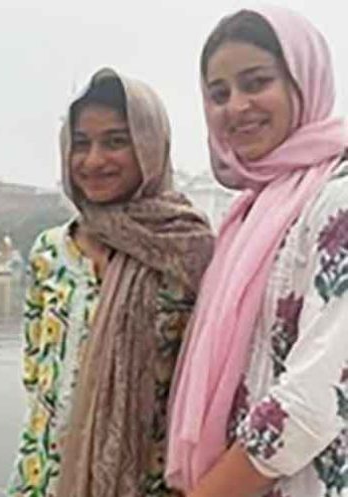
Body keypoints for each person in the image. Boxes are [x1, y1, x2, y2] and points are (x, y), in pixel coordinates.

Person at [6, 68, 214, 497]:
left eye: (116, 142)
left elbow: (207, 387)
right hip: (46, 474)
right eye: (81, 144)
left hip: (147, 480)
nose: (94, 160)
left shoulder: (187, 251)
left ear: (150, 147)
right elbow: (36, 372)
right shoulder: (51, 252)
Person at [166, 7, 348, 497]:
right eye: (218, 93)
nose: (236, 106)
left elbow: (316, 399)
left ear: (303, 82)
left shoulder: (338, 196)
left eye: (256, 82)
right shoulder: (252, 209)